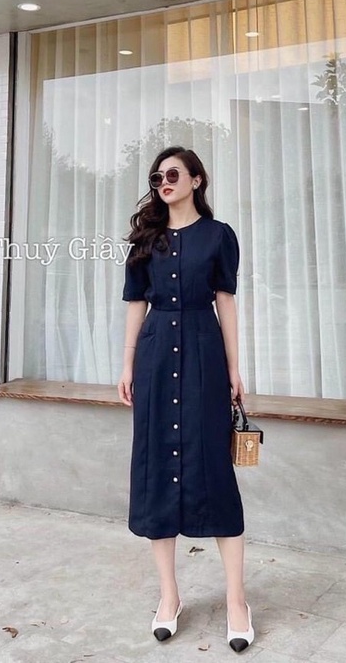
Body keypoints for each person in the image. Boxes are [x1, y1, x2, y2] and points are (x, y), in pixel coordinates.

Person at [117, 146, 255, 653]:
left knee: (214, 471)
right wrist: (128, 364)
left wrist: (235, 367)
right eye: (157, 178)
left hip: (203, 355)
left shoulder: (219, 236)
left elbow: (226, 302)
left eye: (173, 174)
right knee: (156, 471)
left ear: (197, 179)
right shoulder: (146, 239)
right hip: (156, 358)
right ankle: (169, 596)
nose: (164, 183)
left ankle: (237, 600)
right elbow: (136, 302)